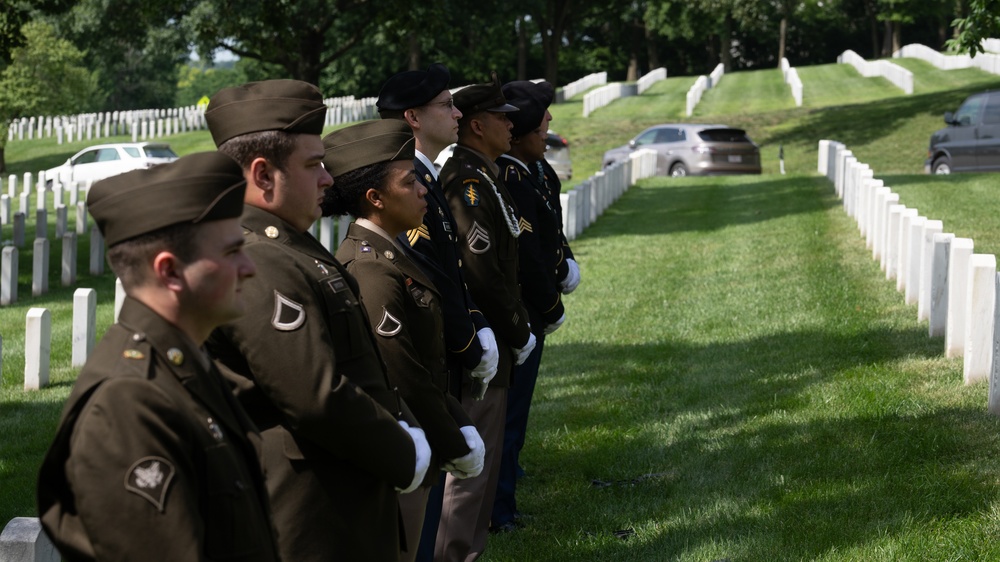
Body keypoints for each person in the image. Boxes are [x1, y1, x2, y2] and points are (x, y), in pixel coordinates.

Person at [203, 79, 431, 561]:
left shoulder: (288, 245)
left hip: (341, 495)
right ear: (263, 175)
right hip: (308, 515)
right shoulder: (257, 258)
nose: (329, 179)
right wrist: (402, 450)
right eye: (313, 165)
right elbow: (314, 396)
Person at [36, 152, 281, 561]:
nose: (250, 266)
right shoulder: (129, 403)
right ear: (170, 272)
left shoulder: (183, 363)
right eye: (232, 251)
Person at [322, 119, 487, 562]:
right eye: (410, 182)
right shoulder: (371, 269)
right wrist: (453, 437)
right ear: (375, 198)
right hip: (401, 447)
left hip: (420, 437)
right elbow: (403, 372)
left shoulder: (392, 254)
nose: (422, 192)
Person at [376, 62, 500, 561]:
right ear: (412, 117)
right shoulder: (401, 185)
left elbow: (453, 271)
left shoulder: (425, 175)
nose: (456, 112)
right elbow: (427, 277)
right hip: (431, 358)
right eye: (445, 105)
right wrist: (469, 342)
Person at [437, 70, 536, 561]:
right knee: (471, 471)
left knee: (488, 457)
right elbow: (482, 270)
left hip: (496, 337)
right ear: (477, 125)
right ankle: (455, 554)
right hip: (483, 343)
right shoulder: (467, 183)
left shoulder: (484, 175)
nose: (511, 127)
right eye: (502, 118)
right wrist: (517, 328)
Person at [491, 79, 571, 533]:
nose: (549, 126)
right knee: (508, 414)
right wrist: (549, 303)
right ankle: (500, 510)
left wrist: (567, 265)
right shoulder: (509, 176)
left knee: (517, 413)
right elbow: (524, 251)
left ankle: (508, 483)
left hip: (532, 308)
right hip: (520, 310)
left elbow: (551, 231)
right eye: (542, 121)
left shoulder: (535, 171)